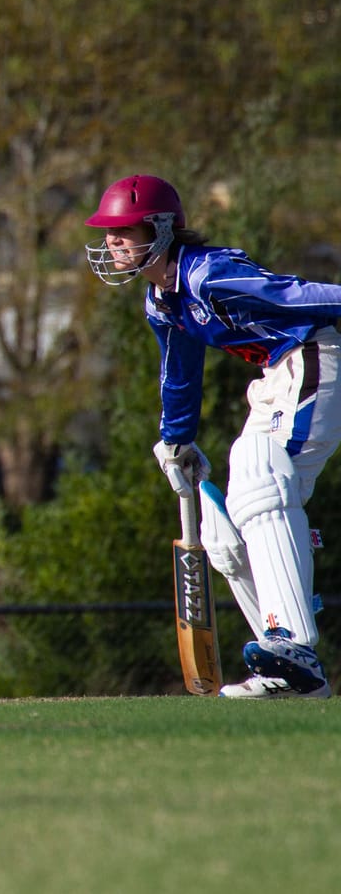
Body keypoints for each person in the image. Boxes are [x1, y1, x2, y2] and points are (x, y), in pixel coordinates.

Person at [86, 174, 335, 699]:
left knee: (257, 473)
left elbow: (295, 296)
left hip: (317, 355)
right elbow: (179, 374)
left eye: (123, 231)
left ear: (159, 228)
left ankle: (293, 641)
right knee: (227, 534)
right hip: (277, 374)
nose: (112, 243)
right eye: (108, 233)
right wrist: (174, 439)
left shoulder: (207, 275)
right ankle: (291, 670)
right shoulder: (162, 301)